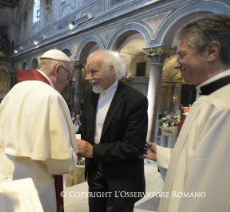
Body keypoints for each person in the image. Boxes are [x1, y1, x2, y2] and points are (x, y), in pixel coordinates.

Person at [142, 14, 230, 212]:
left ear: (212, 51)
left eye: (182, 55)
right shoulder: (209, 98)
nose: (175, 64)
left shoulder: (222, 107)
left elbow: (208, 193)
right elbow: (201, 161)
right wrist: (163, 154)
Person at [0, 49, 78, 212]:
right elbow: (60, 163)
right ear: (57, 69)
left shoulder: (17, 88)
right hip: (30, 185)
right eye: (68, 76)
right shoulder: (51, 96)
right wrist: (73, 154)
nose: (68, 82)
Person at [77, 50, 148, 212]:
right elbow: (85, 126)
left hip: (121, 175)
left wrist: (93, 150)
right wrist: (77, 143)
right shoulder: (90, 94)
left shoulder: (135, 100)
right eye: (87, 72)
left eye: (94, 71)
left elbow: (132, 146)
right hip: (95, 170)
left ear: (112, 69)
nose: (89, 77)